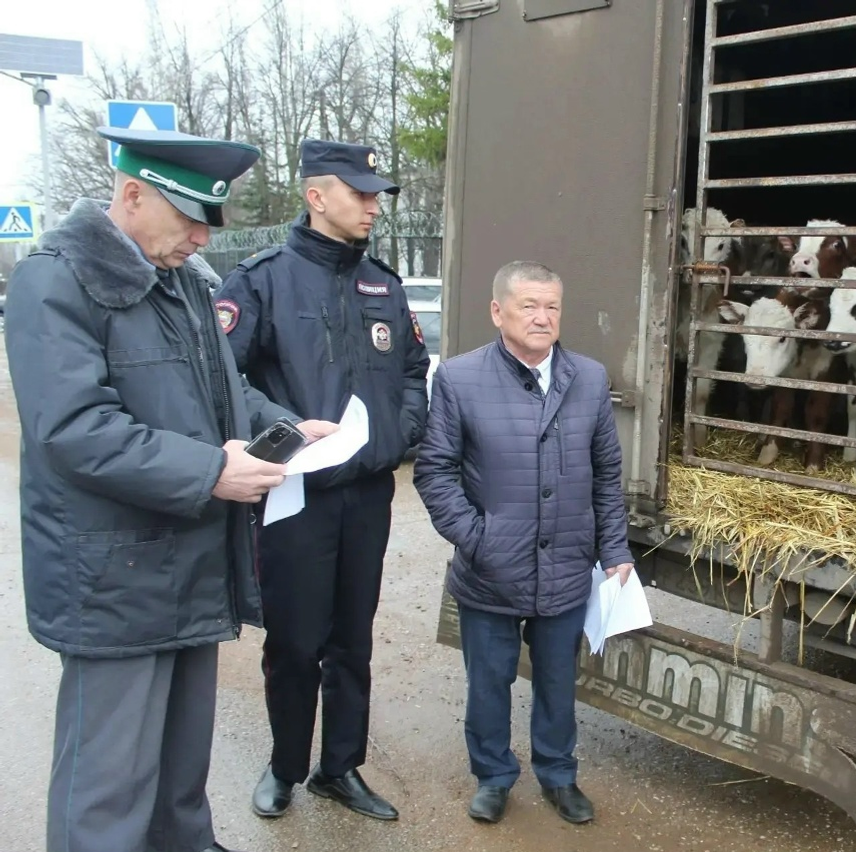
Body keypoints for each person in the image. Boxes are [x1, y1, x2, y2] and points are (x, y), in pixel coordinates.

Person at [4, 126, 338, 852]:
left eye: (209, 222)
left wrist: (283, 424)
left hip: (187, 561)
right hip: (112, 579)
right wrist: (209, 471)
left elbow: (225, 393)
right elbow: (75, 430)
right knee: (108, 784)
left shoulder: (183, 282)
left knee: (181, 766)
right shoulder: (55, 280)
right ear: (130, 195)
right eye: (188, 219)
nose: (200, 237)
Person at [213, 138, 430, 822]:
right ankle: (284, 767)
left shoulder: (384, 286)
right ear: (316, 196)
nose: (372, 205)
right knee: (296, 641)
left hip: (366, 493)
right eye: (359, 192)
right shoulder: (261, 281)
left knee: (352, 641)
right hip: (295, 494)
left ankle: (340, 768)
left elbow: (413, 375)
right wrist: (281, 423)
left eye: (375, 194)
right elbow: (223, 378)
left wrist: (398, 436)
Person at [416, 260, 635, 825]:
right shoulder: (460, 379)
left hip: (565, 564)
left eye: (552, 307)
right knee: (488, 683)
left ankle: (559, 775)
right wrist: (478, 539)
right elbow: (434, 471)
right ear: (498, 311)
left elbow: (607, 474)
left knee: (559, 683)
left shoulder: (587, 377)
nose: (542, 318)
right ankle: (492, 776)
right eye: (529, 306)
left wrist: (614, 550)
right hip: (490, 570)